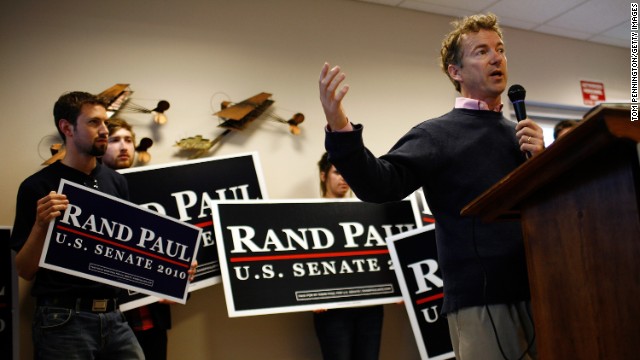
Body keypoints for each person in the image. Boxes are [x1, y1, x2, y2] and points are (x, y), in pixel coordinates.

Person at [318, 13, 544, 360]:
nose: (497, 58)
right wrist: (340, 128)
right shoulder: (437, 134)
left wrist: (542, 159)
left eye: (500, 49)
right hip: (482, 301)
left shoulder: (520, 135)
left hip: (542, 288)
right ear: (456, 72)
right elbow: (380, 184)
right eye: (482, 51)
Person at [10, 92, 145, 359]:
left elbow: (127, 251)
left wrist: (173, 269)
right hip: (63, 320)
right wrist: (41, 225)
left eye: (105, 123)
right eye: (95, 123)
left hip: (115, 316)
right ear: (67, 128)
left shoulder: (117, 182)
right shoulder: (37, 186)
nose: (104, 130)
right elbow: (24, 270)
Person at [103, 117, 173, 360]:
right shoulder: (89, 190)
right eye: (115, 140)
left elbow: (170, 245)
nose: (123, 146)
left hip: (152, 319)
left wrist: (177, 286)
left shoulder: (154, 189)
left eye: (128, 140)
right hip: (108, 319)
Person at [313, 152, 384, 360]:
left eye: (347, 173)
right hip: (332, 309)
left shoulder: (368, 212)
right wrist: (307, 296)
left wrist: (400, 289)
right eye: (337, 172)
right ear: (323, 176)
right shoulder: (307, 214)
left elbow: (382, 253)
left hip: (370, 305)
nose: (344, 178)